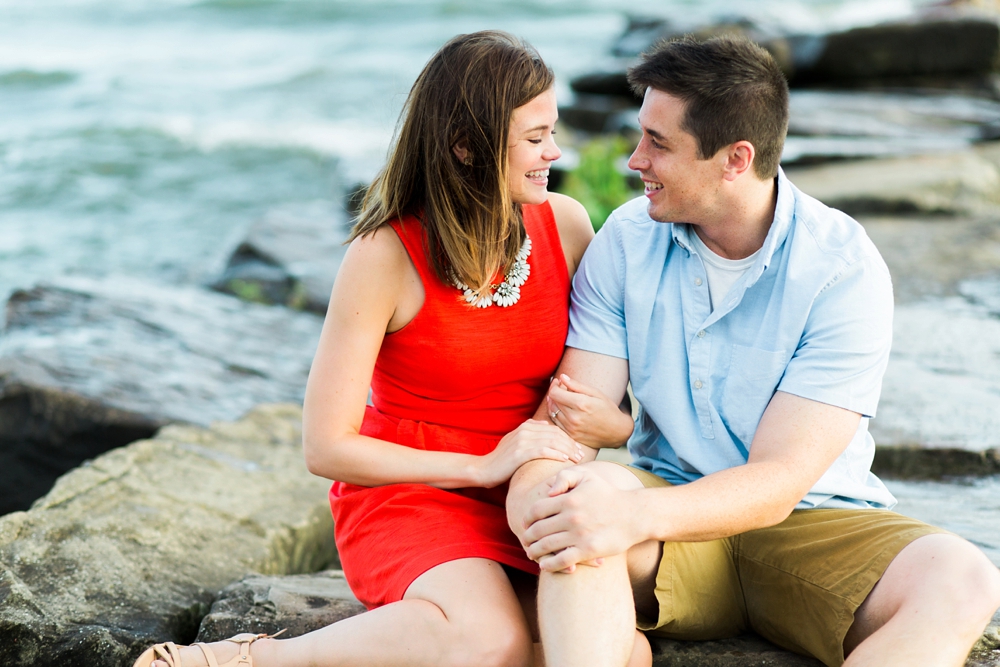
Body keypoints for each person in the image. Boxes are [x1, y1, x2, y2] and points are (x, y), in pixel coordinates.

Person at [132, 30, 648, 667]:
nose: (556, 152)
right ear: (467, 146)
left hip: (526, 489)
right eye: (536, 138)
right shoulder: (383, 255)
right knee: (493, 639)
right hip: (411, 492)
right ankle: (248, 660)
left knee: (624, 650)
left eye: (553, 131)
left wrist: (617, 426)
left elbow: (602, 394)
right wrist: (480, 465)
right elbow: (326, 446)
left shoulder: (565, 225)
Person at [506, 35, 1000, 667]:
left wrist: (628, 514)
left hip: (811, 523)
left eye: (659, 143)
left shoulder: (841, 269)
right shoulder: (626, 242)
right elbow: (568, 426)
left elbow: (778, 482)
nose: (635, 161)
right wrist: (548, 491)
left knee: (964, 580)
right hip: (667, 522)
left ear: (735, 159)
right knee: (575, 502)